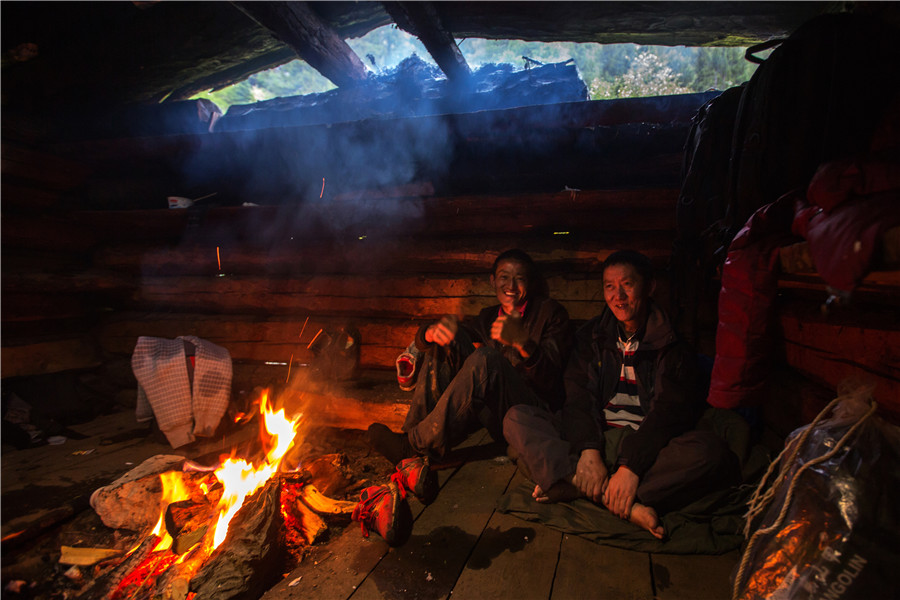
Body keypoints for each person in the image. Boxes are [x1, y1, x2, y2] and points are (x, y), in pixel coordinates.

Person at [503, 250, 740, 539]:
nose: (619, 296)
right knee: (518, 419)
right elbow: (578, 396)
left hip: (645, 445)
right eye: (609, 287)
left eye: (627, 284)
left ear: (649, 287)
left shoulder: (671, 344)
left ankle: (576, 485)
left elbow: (668, 412)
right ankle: (620, 503)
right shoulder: (592, 336)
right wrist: (590, 450)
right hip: (596, 436)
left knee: (710, 453)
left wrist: (630, 467)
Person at [367, 248, 573, 466]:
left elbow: (551, 380)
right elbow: (456, 336)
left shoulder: (550, 314)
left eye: (519, 279)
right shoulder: (488, 317)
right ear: (493, 281)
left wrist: (523, 343)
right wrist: (428, 334)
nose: (511, 286)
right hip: (496, 416)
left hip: (531, 415)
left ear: (529, 283)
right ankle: (412, 442)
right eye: (504, 277)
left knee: (486, 359)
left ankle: (413, 446)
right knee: (448, 338)